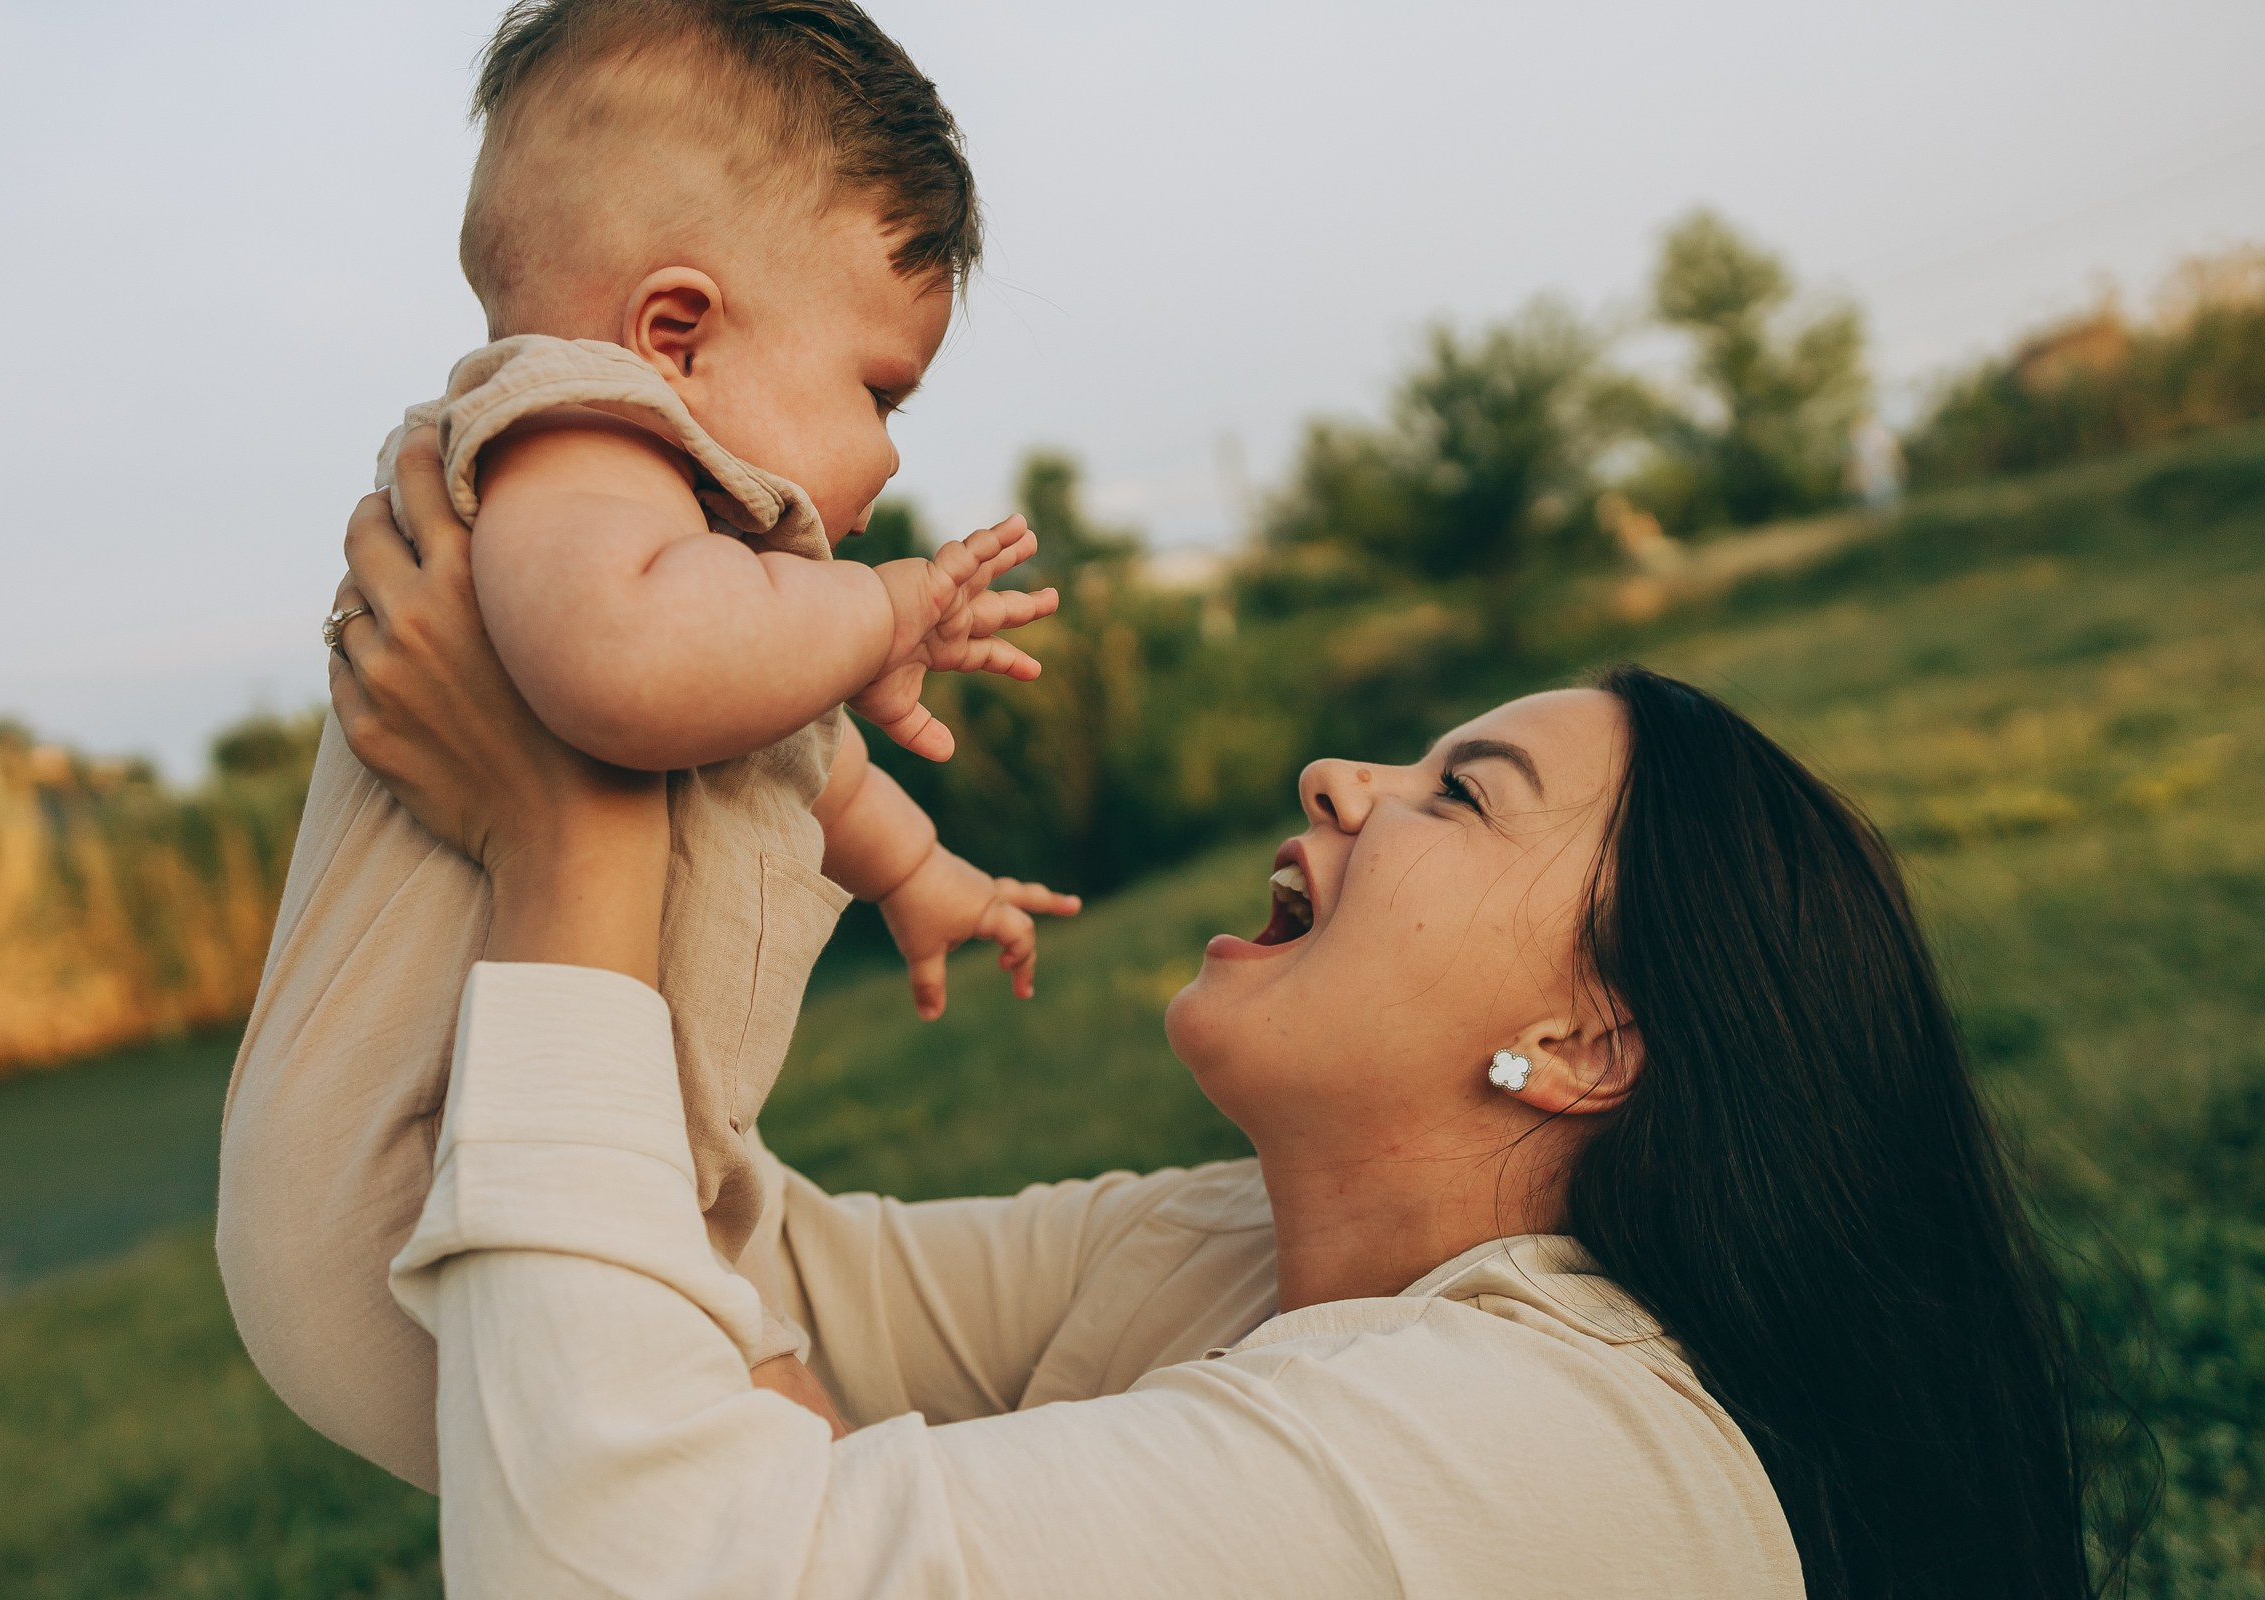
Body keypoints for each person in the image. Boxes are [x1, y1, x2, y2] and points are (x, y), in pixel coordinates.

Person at [237, 433, 2107, 1597]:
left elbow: (624, 1566)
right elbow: (723, 1272)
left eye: (1461, 796)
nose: (1337, 775)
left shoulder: (1556, 1461)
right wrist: (611, 666)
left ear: (1592, 1046)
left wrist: (570, 847)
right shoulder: (1218, 1256)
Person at [218, 0, 1080, 1484]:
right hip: (408, 1188)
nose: (888, 454)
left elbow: (785, 761)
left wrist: (917, 872)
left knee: (774, 1448)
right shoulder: (580, 441)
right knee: (773, 1475)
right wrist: (874, 610)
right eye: (879, 390)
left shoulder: (666, 540)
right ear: (673, 332)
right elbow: (633, 672)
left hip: (521, 1164)